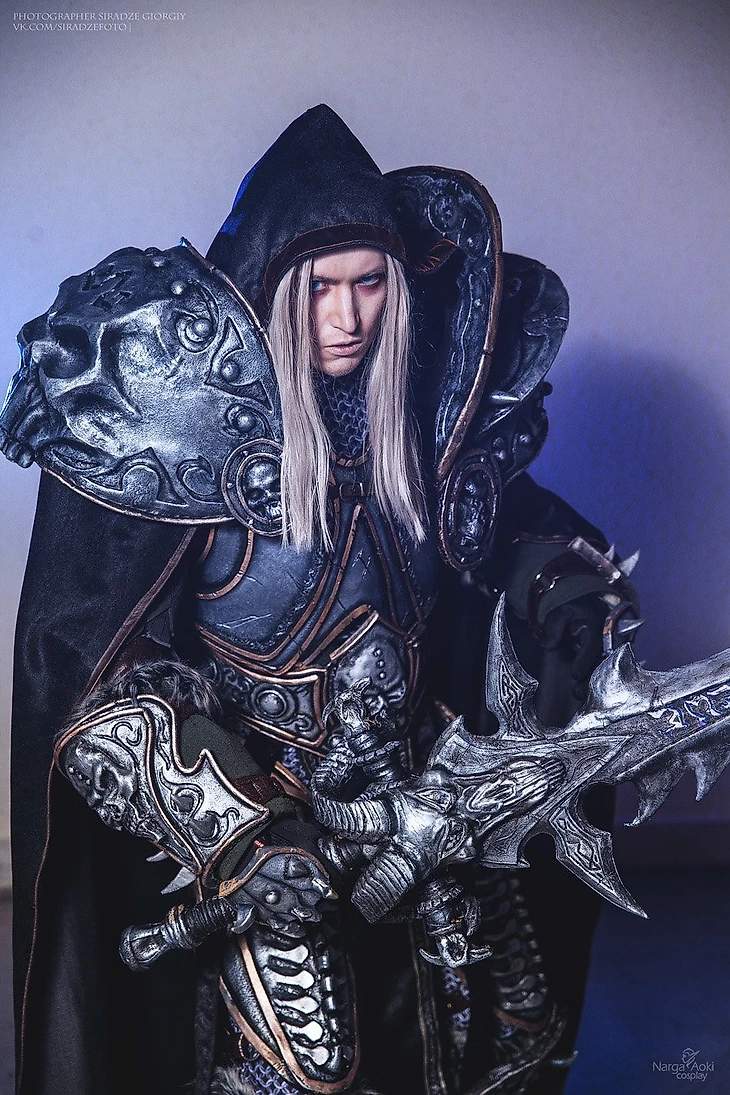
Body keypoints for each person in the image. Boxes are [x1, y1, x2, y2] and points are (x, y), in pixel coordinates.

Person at [0, 105, 638, 1095]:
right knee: (305, 1065)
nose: (347, 317)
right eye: (320, 288)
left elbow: (509, 532)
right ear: (274, 289)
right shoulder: (196, 446)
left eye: (369, 283)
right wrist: (241, 830)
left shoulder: (420, 427)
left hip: (423, 805)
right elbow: (97, 680)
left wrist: (565, 591)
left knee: (491, 1038)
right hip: (266, 815)